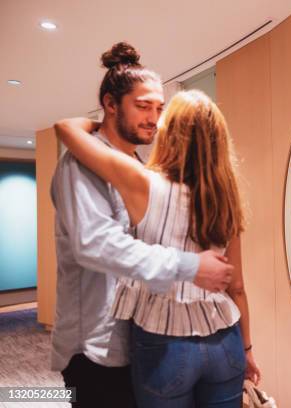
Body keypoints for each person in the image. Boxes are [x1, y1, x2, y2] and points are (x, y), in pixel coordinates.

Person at [55, 71, 260, 406]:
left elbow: (66, 131)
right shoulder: (228, 198)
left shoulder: (142, 183)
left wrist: (95, 123)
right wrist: (248, 349)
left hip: (165, 343)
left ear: (171, 132)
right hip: (225, 340)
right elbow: (236, 287)